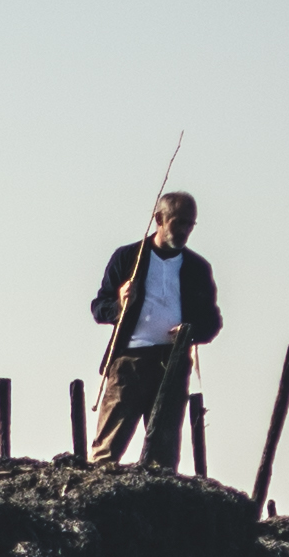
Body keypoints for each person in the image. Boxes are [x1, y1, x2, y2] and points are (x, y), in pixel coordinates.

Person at [88, 190, 220, 471]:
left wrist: (190, 331)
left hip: (172, 365)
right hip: (128, 362)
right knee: (106, 452)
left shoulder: (198, 268)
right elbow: (99, 307)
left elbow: (212, 322)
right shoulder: (128, 258)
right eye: (178, 222)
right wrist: (120, 304)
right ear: (159, 219)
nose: (184, 230)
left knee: (164, 455)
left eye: (190, 224)